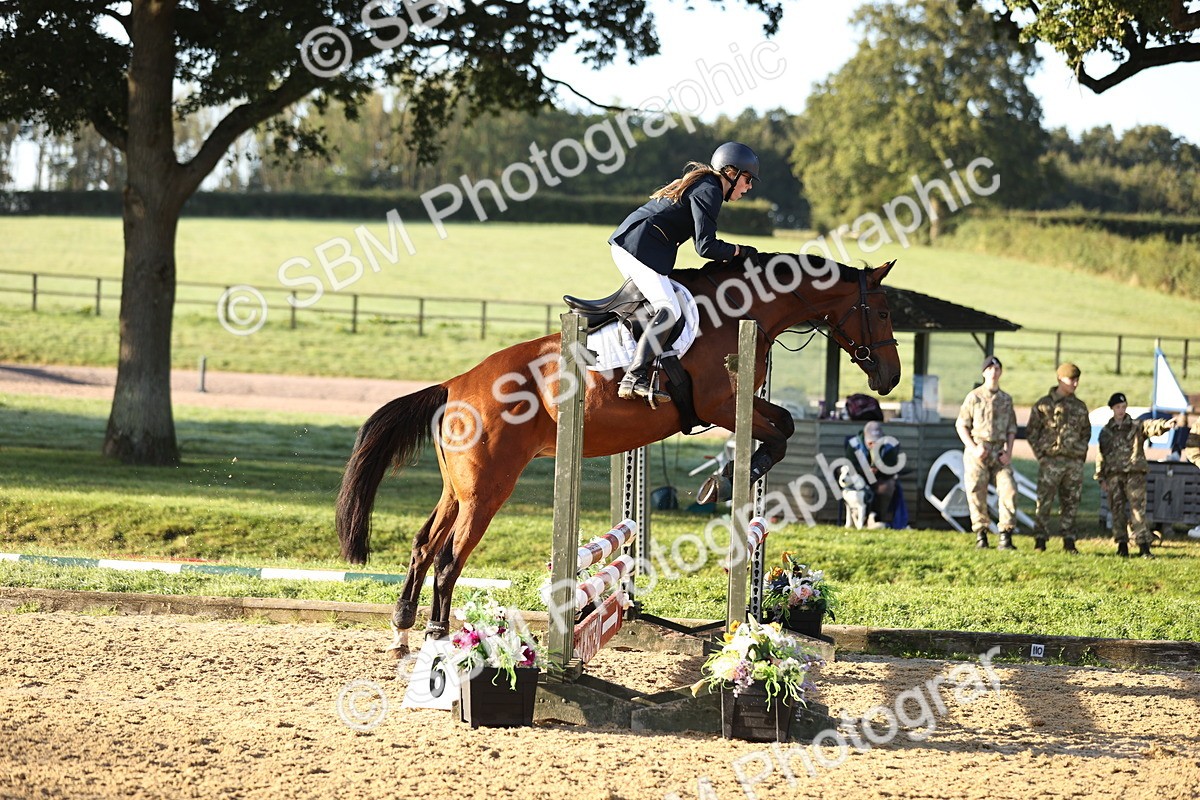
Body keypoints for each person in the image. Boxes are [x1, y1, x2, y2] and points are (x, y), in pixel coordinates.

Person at [608, 142, 760, 402]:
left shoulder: (708, 187)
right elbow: (706, 246)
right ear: (731, 173)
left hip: (638, 245)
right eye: (747, 179)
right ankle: (634, 376)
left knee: (669, 302)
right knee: (670, 308)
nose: (749, 187)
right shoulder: (710, 190)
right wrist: (739, 251)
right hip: (636, 247)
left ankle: (652, 367)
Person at [1095, 392, 1178, 558]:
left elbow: (1150, 427)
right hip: (1114, 476)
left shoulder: (1136, 426)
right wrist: (1100, 477)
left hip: (1134, 475)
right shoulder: (1106, 432)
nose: (1121, 410)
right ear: (1112, 408)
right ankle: (1122, 545)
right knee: (1117, 510)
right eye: (1118, 407)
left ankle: (1143, 546)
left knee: (1138, 511)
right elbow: (1101, 455)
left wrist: (1166, 425)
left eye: (1123, 407)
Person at [1026, 363, 1091, 553]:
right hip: (1050, 461)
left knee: (1071, 502)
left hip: (1073, 463)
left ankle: (1069, 540)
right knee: (1044, 501)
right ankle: (1040, 540)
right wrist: (1042, 456)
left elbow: (1086, 433)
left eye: (1077, 379)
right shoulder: (1044, 405)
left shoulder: (1080, 407)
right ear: (1060, 379)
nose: (1075, 384)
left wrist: (1079, 457)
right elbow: (1032, 432)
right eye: (1072, 380)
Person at [955, 355, 1019, 550]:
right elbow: (961, 425)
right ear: (984, 372)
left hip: (999, 452)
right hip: (979, 450)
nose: (994, 371)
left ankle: (1005, 535)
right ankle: (981, 534)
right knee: (976, 490)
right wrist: (974, 448)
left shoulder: (1006, 399)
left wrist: (1008, 452)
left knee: (1009, 488)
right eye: (990, 368)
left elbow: (1011, 429)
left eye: (997, 368)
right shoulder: (973, 397)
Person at [845, 420, 904, 528]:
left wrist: (880, 469)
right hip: (860, 478)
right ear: (865, 439)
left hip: (880, 478)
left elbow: (892, 468)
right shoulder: (854, 444)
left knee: (887, 487)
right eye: (870, 443)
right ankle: (858, 519)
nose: (874, 446)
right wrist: (865, 471)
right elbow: (850, 466)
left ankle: (877, 518)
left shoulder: (889, 446)